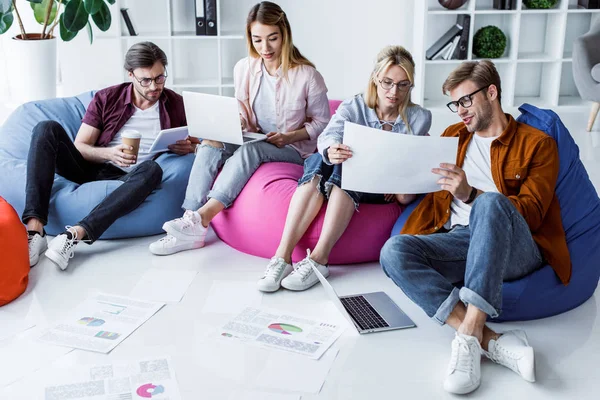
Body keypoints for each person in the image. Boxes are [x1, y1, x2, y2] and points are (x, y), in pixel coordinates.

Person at [379, 60, 571, 394]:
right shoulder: (453, 136)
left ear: (492, 92)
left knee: (490, 202)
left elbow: (534, 213)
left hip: (516, 247)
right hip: (459, 242)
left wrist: (470, 194)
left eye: (465, 101)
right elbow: (420, 185)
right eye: (455, 104)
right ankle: (491, 341)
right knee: (393, 250)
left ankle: (466, 340)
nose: (460, 112)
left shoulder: (537, 144)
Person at [149, 1, 330, 255]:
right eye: (257, 40)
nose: (264, 48)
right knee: (210, 142)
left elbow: (322, 123)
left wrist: (289, 135)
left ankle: (203, 218)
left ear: (285, 35)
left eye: (272, 39)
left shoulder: (307, 75)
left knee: (250, 153)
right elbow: (242, 107)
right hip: (254, 137)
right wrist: (239, 122)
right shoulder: (244, 68)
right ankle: (190, 219)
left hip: (292, 148)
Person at [255, 45, 432, 293]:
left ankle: (319, 259)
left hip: (383, 189)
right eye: (387, 82)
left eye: (404, 85)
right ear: (375, 79)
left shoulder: (419, 117)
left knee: (346, 168)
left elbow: (412, 175)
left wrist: (400, 183)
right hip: (345, 176)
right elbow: (327, 137)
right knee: (322, 160)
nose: (394, 92)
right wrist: (331, 150)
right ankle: (282, 258)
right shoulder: (354, 106)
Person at [25, 41, 194, 271]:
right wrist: (110, 154)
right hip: (91, 168)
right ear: (131, 75)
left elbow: (196, 142)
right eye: (146, 80)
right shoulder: (107, 98)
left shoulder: (175, 103)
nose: (154, 86)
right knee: (45, 128)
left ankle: (75, 234)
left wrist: (187, 148)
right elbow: (81, 146)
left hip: (132, 178)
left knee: (154, 170)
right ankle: (35, 230)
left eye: (160, 77)